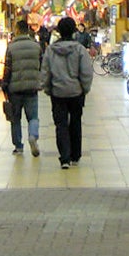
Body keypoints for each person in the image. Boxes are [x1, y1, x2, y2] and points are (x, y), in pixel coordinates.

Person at [41, 16, 93, 169]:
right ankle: (75, 155)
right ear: (74, 31)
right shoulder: (80, 50)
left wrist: (47, 88)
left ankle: (64, 158)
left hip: (57, 93)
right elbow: (86, 72)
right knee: (76, 122)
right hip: (76, 92)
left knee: (61, 124)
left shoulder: (51, 50)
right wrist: (85, 88)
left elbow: (45, 71)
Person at [2, 18, 43, 156]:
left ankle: (18, 146)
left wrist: (4, 84)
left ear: (17, 30)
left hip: (15, 89)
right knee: (33, 117)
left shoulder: (11, 47)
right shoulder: (36, 46)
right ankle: (33, 135)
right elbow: (41, 66)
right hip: (32, 88)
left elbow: (7, 68)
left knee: (15, 118)